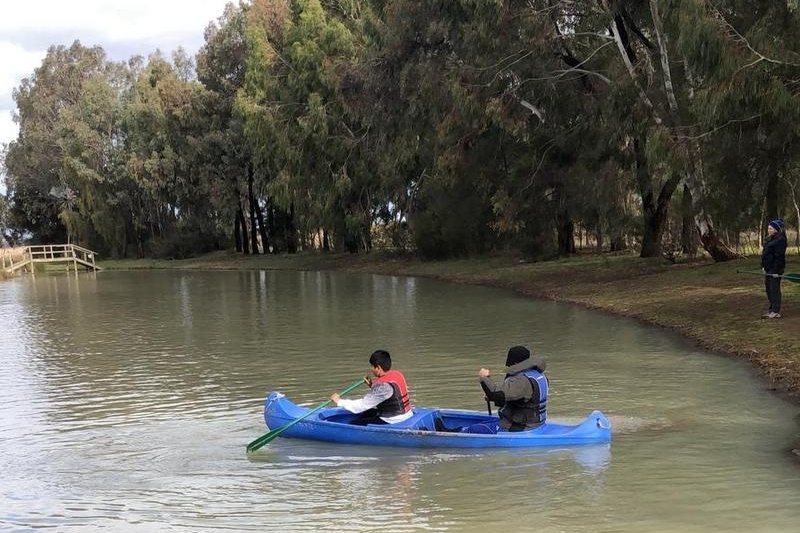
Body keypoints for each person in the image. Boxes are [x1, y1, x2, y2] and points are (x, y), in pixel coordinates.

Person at [330, 349, 413, 425]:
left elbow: (362, 405)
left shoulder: (383, 386)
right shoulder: (397, 374)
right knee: (366, 414)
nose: (371, 369)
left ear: (378, 368)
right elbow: (390, 394)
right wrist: (371, 385)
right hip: (407, 414)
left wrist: (339, 401)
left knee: (354, 423)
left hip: (394, 419)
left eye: (372, 366)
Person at [477, 345, 548, 432]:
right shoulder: (538, 375)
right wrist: (490, 396)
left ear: (515, 363)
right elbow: (521, 399)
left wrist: (484, 378)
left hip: (519, 427)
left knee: (471, 429)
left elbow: (495, 394)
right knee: (482, 424)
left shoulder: (521, 380)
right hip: (536, 423)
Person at [761, 218, 787, 319]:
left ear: (776, 229)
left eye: (771, 228)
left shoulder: (780, 240)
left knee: (774, 289)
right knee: (768, 289)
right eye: (768, 228)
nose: (769, 230)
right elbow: (765, 255)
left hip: (775, 269)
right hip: (768, 268)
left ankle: (776, 311)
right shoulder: (769, 239)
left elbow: (779, 257)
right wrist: (763, 266)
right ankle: (771, 309)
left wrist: (776, 271)